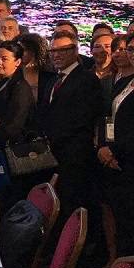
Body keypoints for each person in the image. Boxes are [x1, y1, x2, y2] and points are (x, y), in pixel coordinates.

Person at [41, 31, 102, 226]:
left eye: (62, 50)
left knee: (71, 208)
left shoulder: (87, 79)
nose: (56, 55)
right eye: (53, 51)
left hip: (75, 157)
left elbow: (83, 119)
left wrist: (56, 139)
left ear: (75, 51)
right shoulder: (53, 80)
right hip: (53, 156)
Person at [0, 41, 36, 209]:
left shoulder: (21, 87)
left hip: (9, 152)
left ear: (17, 62)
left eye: (4, 59)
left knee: (5, 201)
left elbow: (14, 123)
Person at [97, 37, 134, 255]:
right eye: (131, 49)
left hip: (127, 159)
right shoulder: (124, 82)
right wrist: (103, 147)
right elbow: (107, 118)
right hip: (113, 160)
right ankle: (118, 263)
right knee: (119, 215)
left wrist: (114, 151)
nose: (131, 53)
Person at [18, 33, 57, 108]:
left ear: (34, 51)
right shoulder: (13, 72)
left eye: (24, 50)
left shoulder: (49, 75)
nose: (19, 53)